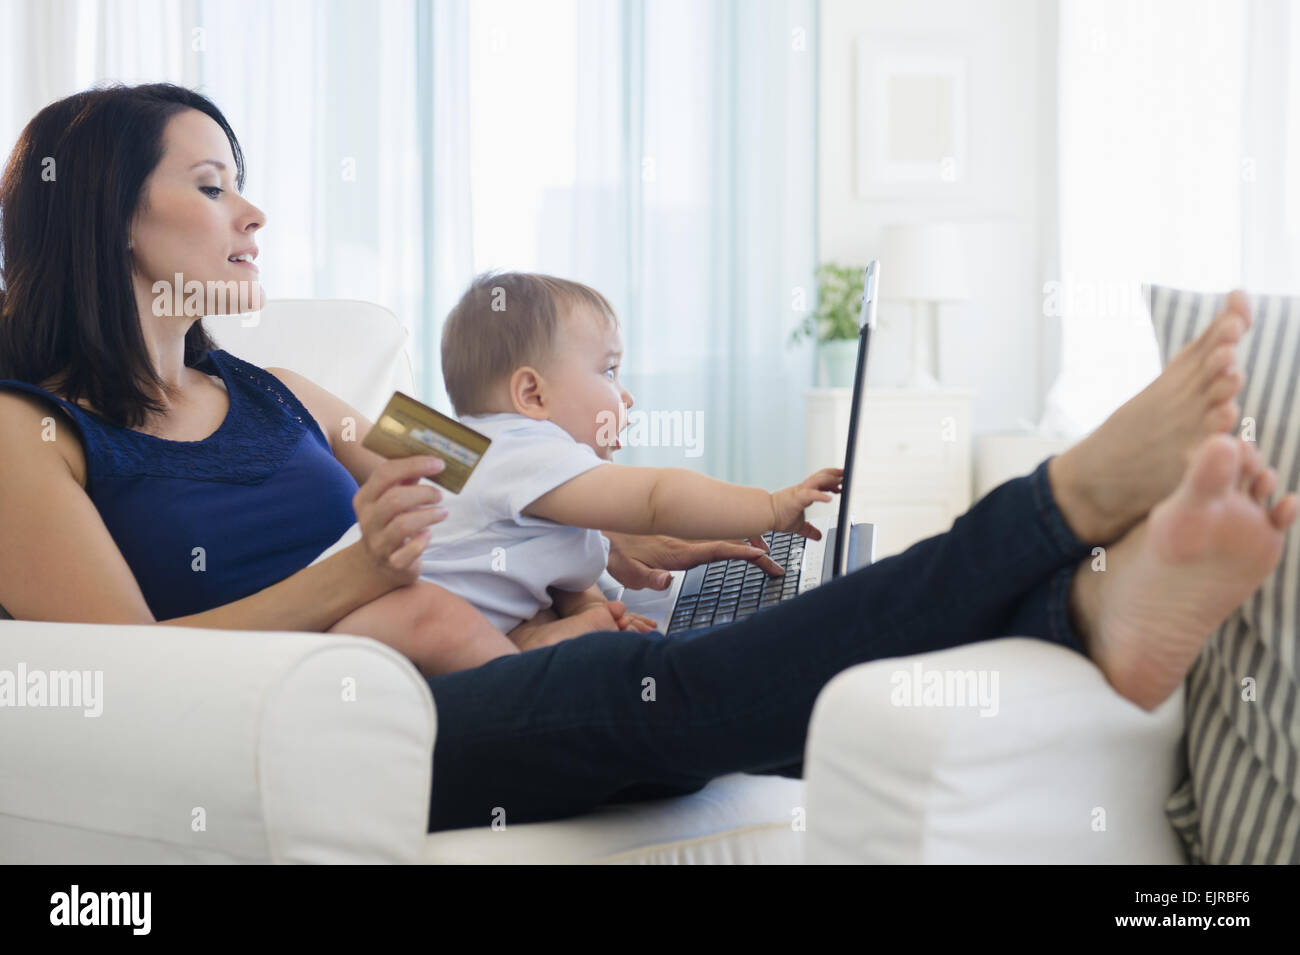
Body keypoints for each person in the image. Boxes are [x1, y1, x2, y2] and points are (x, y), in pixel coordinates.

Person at [0, 84, 1293, 834]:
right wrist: (347, 595)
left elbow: (481, 463)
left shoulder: (284, 385)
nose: (257, 211)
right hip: (321, 723)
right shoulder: (26, 434)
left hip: (440, 648)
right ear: (100, 212)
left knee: (696, 654)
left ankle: (1080, 605)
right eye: (216, 183)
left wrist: (601, 537)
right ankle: (1062, 516)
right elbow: (117, 682)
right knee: (646, 685)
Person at [318, 269, 845, 666]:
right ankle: (525, 659)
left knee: (527, 619)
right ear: (532, 394)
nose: (628, 396)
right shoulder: (518, 449)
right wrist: (769, 507)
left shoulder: (477, 454)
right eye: (609, 372)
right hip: (368, 637)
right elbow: (656, 496)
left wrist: (590, 610)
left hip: (379, 630)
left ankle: (532, 643)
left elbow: (559, 566)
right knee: (449, 623)